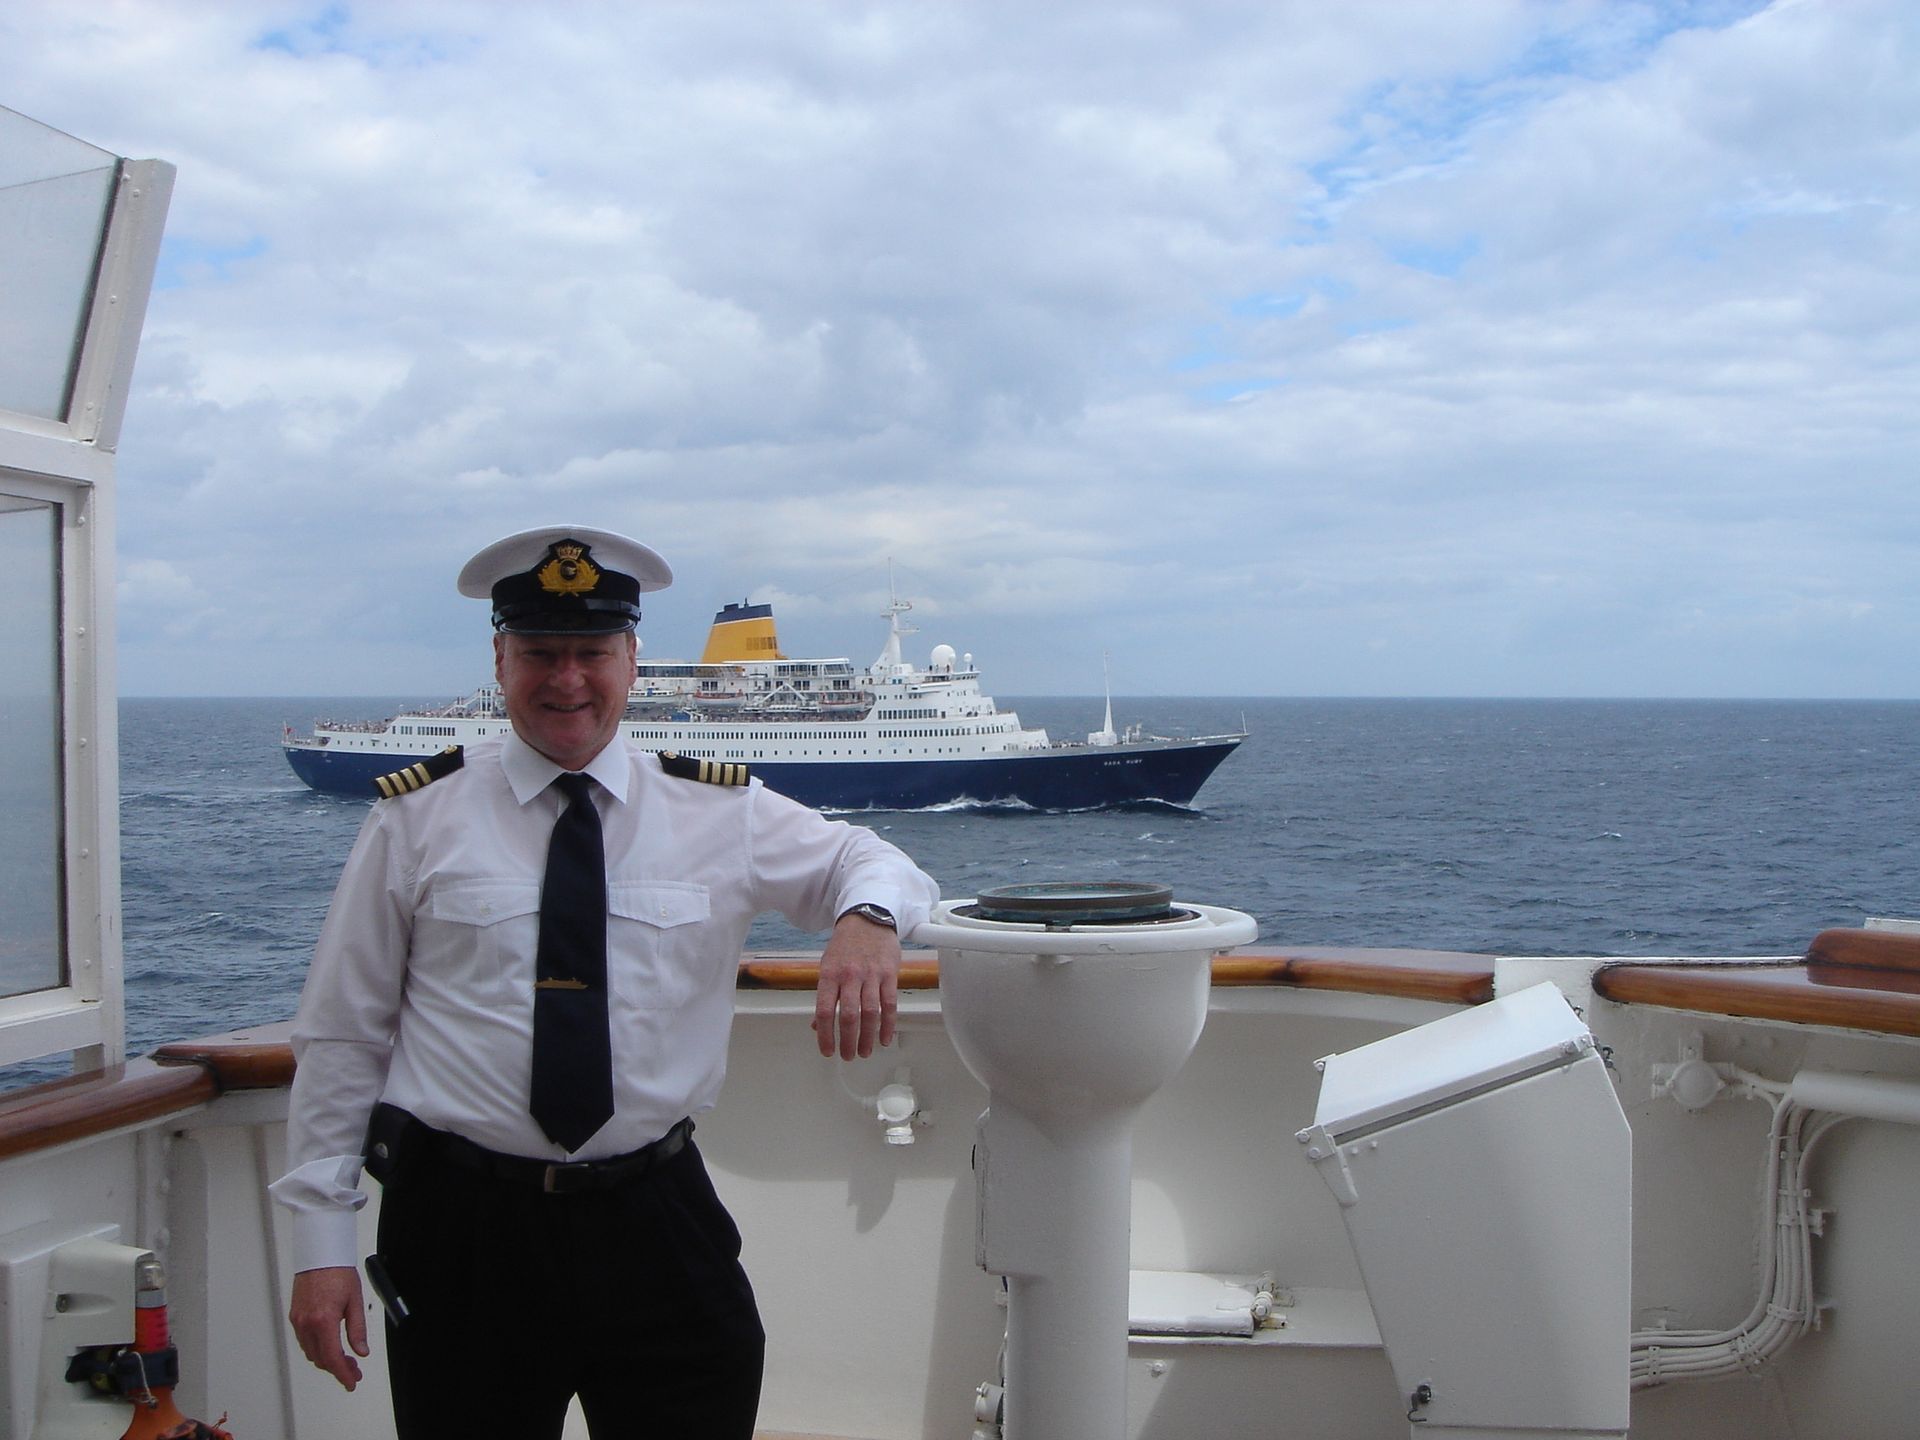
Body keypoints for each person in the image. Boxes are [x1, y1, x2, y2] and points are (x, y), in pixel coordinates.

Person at [270, 526, 940, 1439]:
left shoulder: (718, 809)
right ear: (500, 659)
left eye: (591, 652)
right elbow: (343, 1035)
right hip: (464, 1231)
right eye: (541, 652)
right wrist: (320, 1248)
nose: (567, 679)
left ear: (632, 660)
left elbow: (875, 861)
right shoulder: (416, 819)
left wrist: (867, 923)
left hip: (656, 1219)